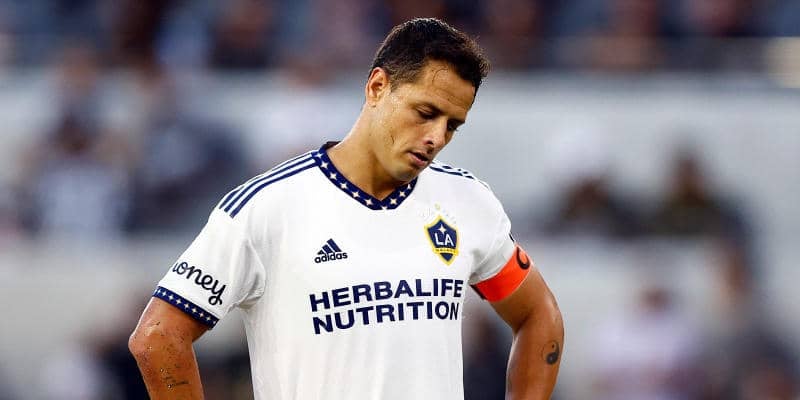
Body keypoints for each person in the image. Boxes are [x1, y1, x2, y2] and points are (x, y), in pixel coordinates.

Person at [129, 17, 563, 399]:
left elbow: (538, 315)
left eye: (452, 125)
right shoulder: (267, 208)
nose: (436, 137)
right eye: (425, 112)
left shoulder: (467, 202)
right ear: (377, 87)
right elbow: (157, 337)